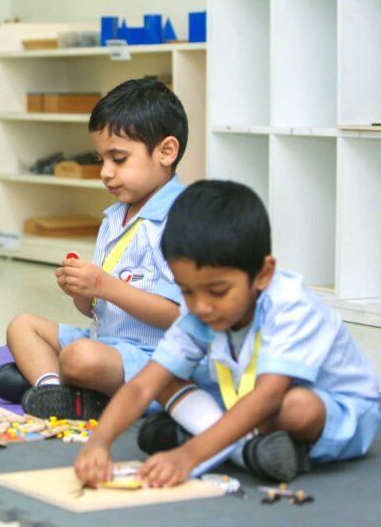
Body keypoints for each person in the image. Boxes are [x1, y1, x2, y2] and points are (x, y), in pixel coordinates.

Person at [76, 180, 381, 486]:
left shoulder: (292, 306)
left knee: (297, 408)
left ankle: (204, 434)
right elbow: (143, 386)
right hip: (244, 399)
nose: (202, 306)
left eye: (218, 291)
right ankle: (246, 450)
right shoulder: (199, 310)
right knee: (164, 377)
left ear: (263, 274)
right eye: (187, 291)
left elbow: (268, 397)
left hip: (337, 409)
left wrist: (189, 455)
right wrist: (98, 443)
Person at [0, 78, 187, 420]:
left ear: (166, 151)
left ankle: (60, 382)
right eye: (101, 159)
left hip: (154, 357)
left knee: (81, 357)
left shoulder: (184, 219)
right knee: (23, 325)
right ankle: (54, 391)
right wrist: (83, 294)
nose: (106, 173)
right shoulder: (114, 217)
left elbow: (179, 317)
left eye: (119, 159)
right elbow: (98, 310)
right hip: (105, 341)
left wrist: (106, 286)